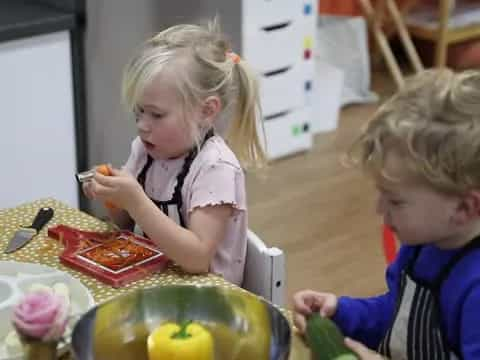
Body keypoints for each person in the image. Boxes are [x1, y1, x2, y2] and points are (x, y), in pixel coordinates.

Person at [293, 69, 480, 359]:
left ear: (464, 208)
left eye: (395, 201)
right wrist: (341, 312)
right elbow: (397, 315)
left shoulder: (475, 289)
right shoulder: (422, 245)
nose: (379, 209)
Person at [82, 21, 266, 286]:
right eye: (139, 112)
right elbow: (125, 225)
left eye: (156, 115)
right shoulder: (144, 149)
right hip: (152, 281)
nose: (142, 125)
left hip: (206, 302)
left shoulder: (216, 167)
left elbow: (197, 258)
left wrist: (135, 201)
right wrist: (113, 198)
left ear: (206, 111)